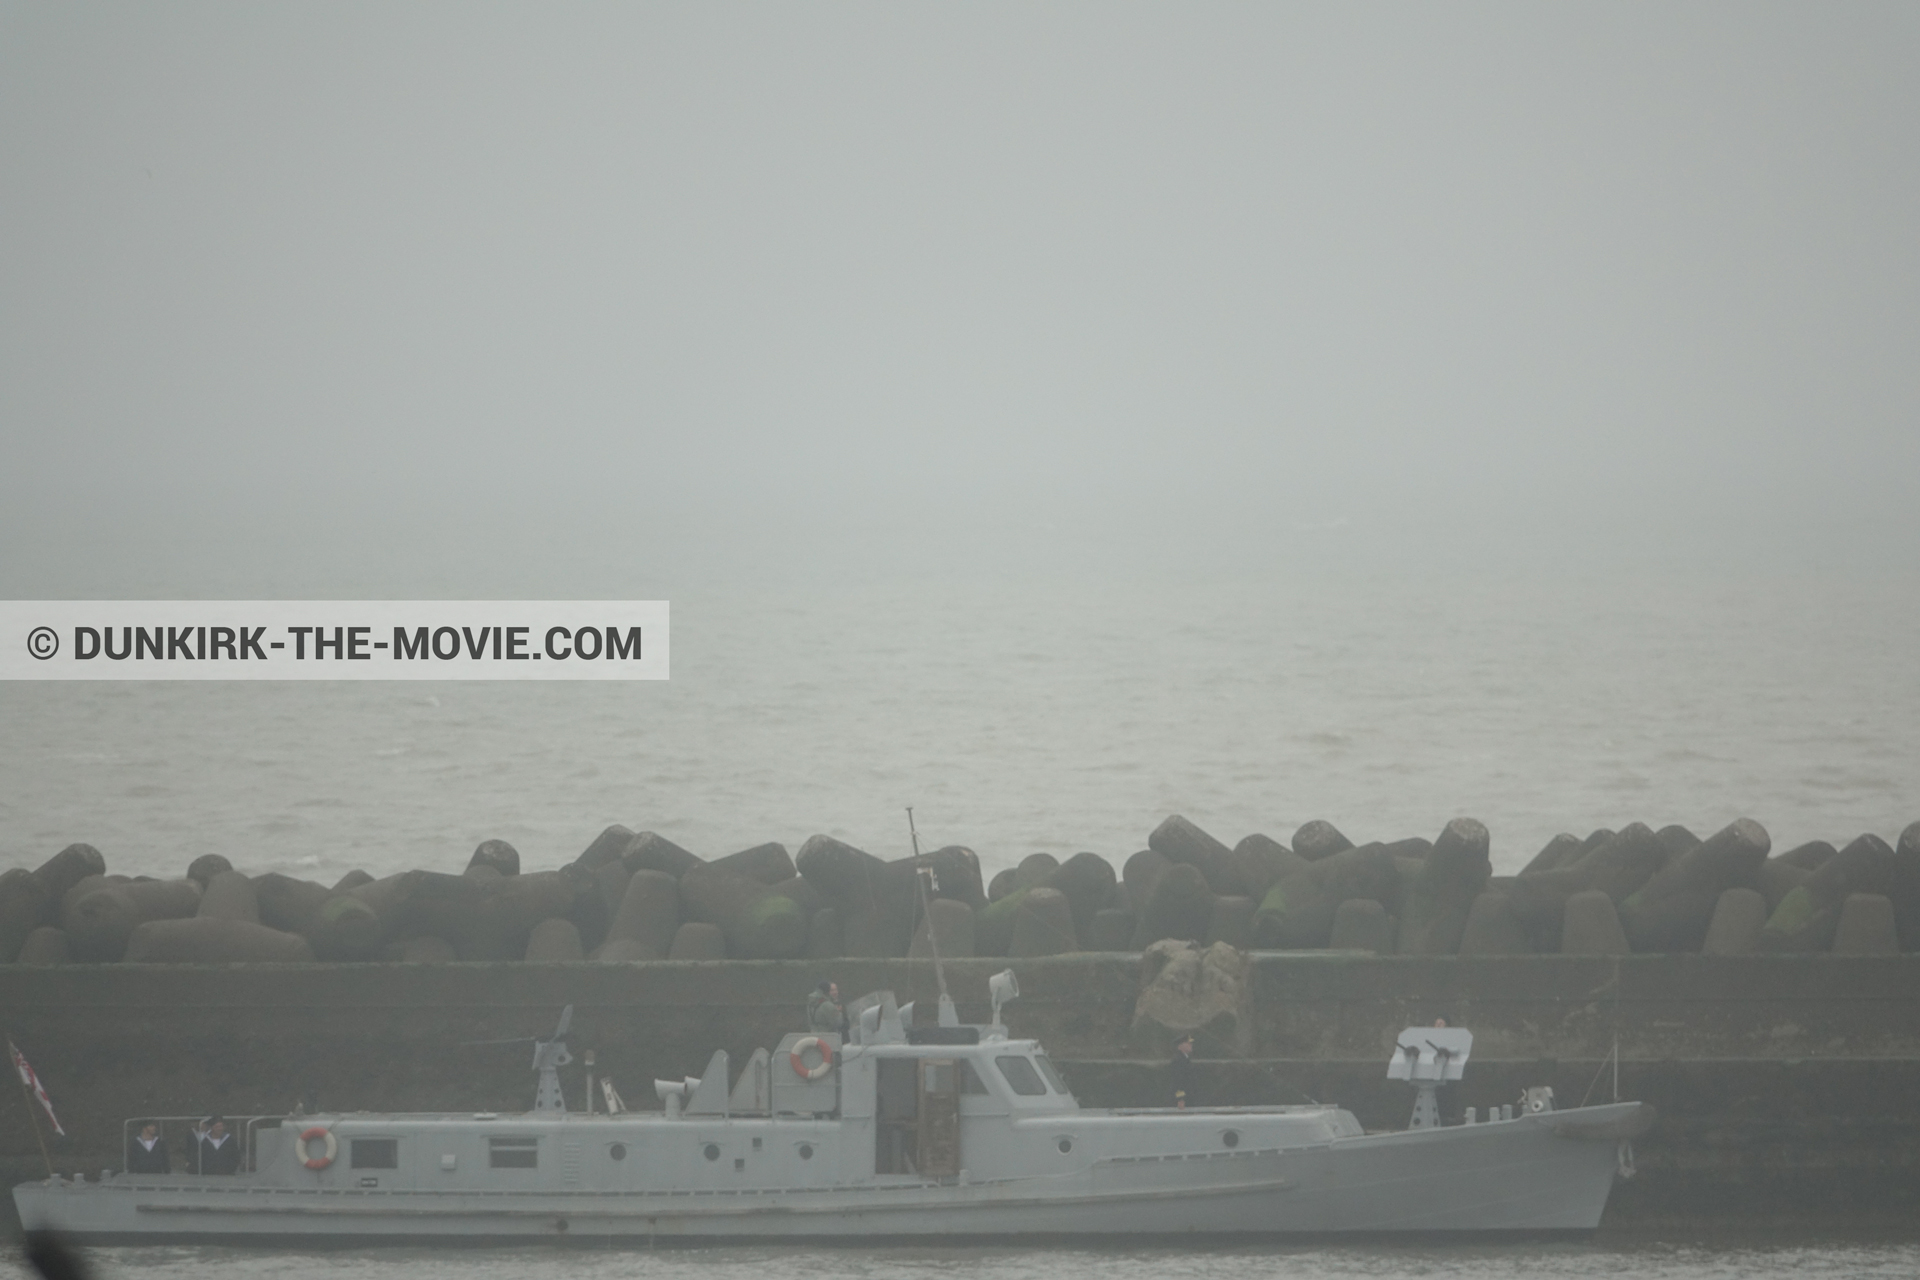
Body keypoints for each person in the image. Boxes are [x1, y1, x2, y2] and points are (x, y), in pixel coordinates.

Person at [1169, 1033, 1197, 1109]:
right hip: (1184, 1100)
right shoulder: (1178, 1060)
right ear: (1180, 1046)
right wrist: (1180, 1099)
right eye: (1188, 1043)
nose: (1191, 1045)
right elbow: (1178, 1081)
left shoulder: (1186, 1059)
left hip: (1189, 1097)